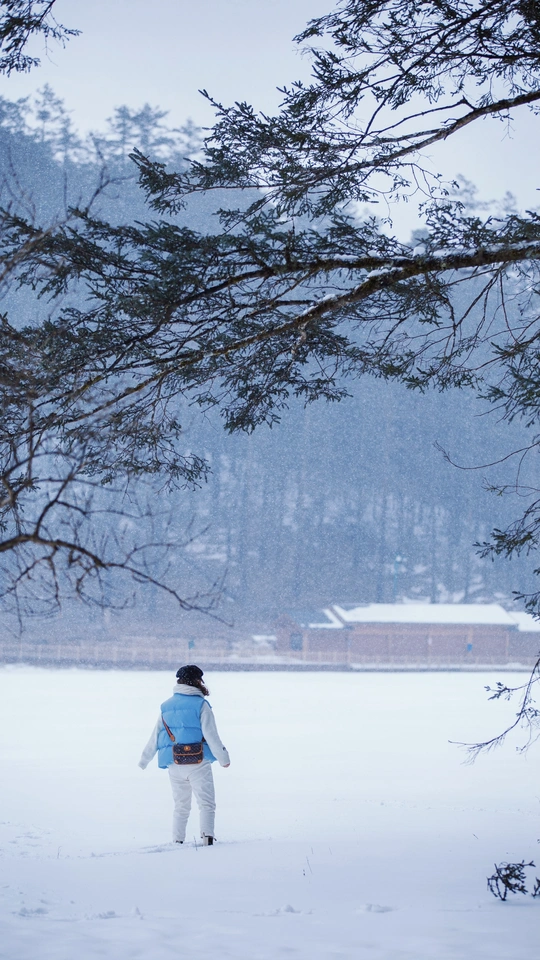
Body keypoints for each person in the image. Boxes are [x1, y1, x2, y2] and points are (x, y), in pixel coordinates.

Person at [138, 664, 230, 846]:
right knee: (206, 803)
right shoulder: (201, 705)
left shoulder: (166, 706)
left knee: (181, 805)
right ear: (197, 681)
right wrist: (223, 758)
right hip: (198, 762)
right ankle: (207, 839)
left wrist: (144, 760)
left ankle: (177, 840)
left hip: (175, 762)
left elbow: (155, 736)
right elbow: (211, 735)